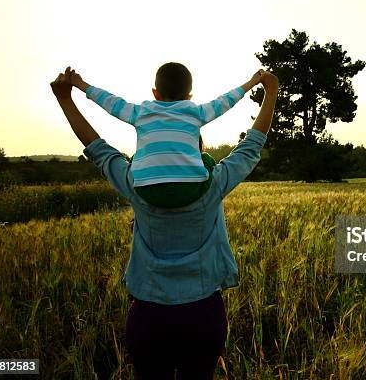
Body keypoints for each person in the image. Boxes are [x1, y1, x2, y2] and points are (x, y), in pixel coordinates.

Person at [50, 66, 279, 379]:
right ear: (198, 151)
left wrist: (66, 100)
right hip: (203, 315)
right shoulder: (213, 184)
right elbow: (252, 146)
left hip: (147, 318)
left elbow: (99, 150)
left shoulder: (136, 183)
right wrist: (270, 92)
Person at [67, 63, 264, 208]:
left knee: (138, 159)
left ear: (155, 93)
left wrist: (80, 84)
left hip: (147, 190)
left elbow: (109, 101)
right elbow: (226, 100)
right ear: (189, 96)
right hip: (191, 189)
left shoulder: (141, 112)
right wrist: (253, 82)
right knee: (206, 161)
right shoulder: (196, 112)